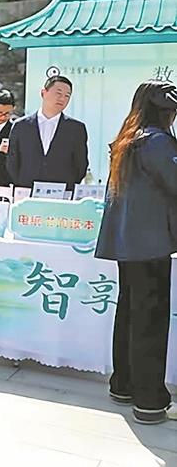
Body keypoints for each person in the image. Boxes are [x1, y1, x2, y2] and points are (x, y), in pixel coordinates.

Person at [95, 80, 177, 425]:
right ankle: (150, 401)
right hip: (151, 244)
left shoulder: (128, 139)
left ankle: (123, 386)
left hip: (128, 244)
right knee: (150, 321)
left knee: (129, 313)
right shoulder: (158, 142)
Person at [6, 76, 89, 190]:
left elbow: (80, 165)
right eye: (58, 93)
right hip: (27, 191)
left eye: (67, 96)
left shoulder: (76, 129)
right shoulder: (21, 126)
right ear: (43, 93)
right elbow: (12, 161)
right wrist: (21, 184)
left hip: (62, 193)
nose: (62, 99)